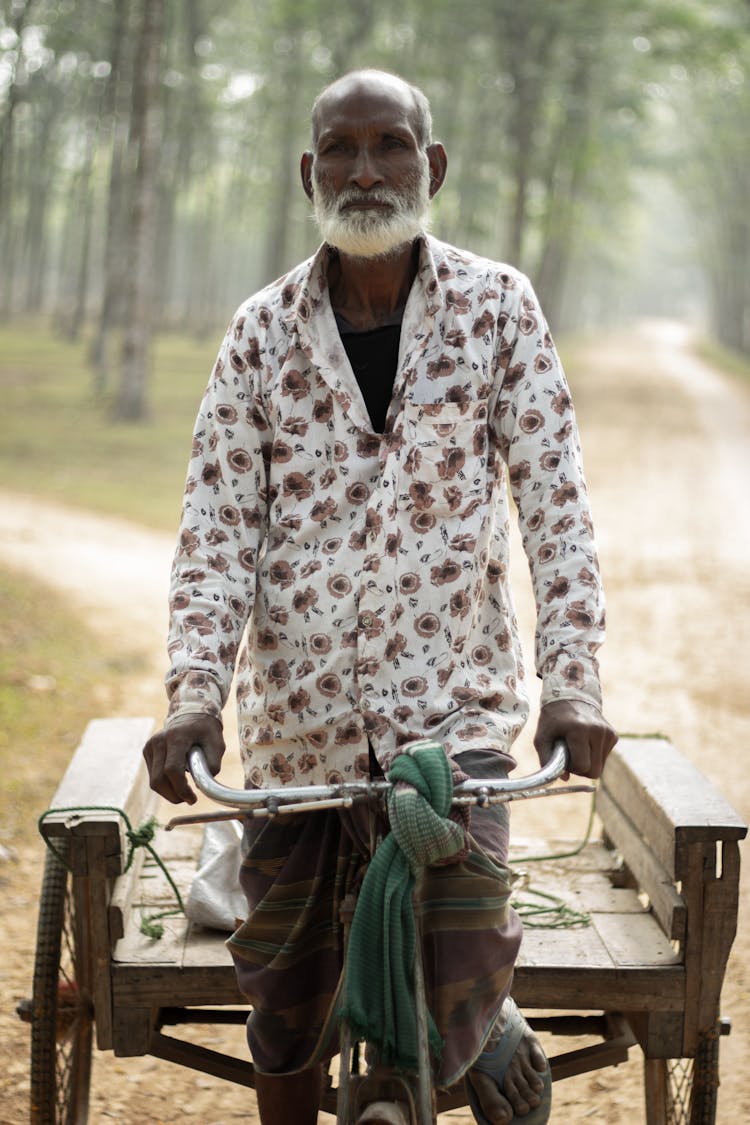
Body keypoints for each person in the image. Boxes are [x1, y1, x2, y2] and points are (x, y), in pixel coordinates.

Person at [143, 68, 616, 1125]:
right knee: (284, 999)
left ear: (430, 165)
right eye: (342, 151)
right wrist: (191, 695)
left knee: (461, 953)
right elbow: (215, 533)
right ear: (310, 173)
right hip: (296, 734)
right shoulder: (258, 335)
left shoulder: (498, 310)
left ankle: (477, 1034)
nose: (366, 171)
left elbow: (558, 512)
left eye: (390, 146)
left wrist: (573, 685)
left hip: (457, 732)